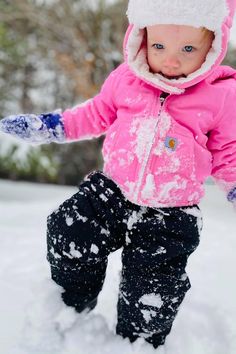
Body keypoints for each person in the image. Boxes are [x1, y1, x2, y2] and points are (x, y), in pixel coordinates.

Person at [0, 0, 236, 348]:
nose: (171, 59)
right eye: (159, 46)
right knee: (69, 230)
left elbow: (229, 151)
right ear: (141, 37)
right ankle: (71, 305)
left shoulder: (222, 95)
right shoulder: (126, 79)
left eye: (188, 48)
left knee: (152, 291)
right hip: (112, 190)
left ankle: (137, 342)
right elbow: (93, 114)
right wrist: (51, 127)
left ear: (213, 45)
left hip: (172, 212)